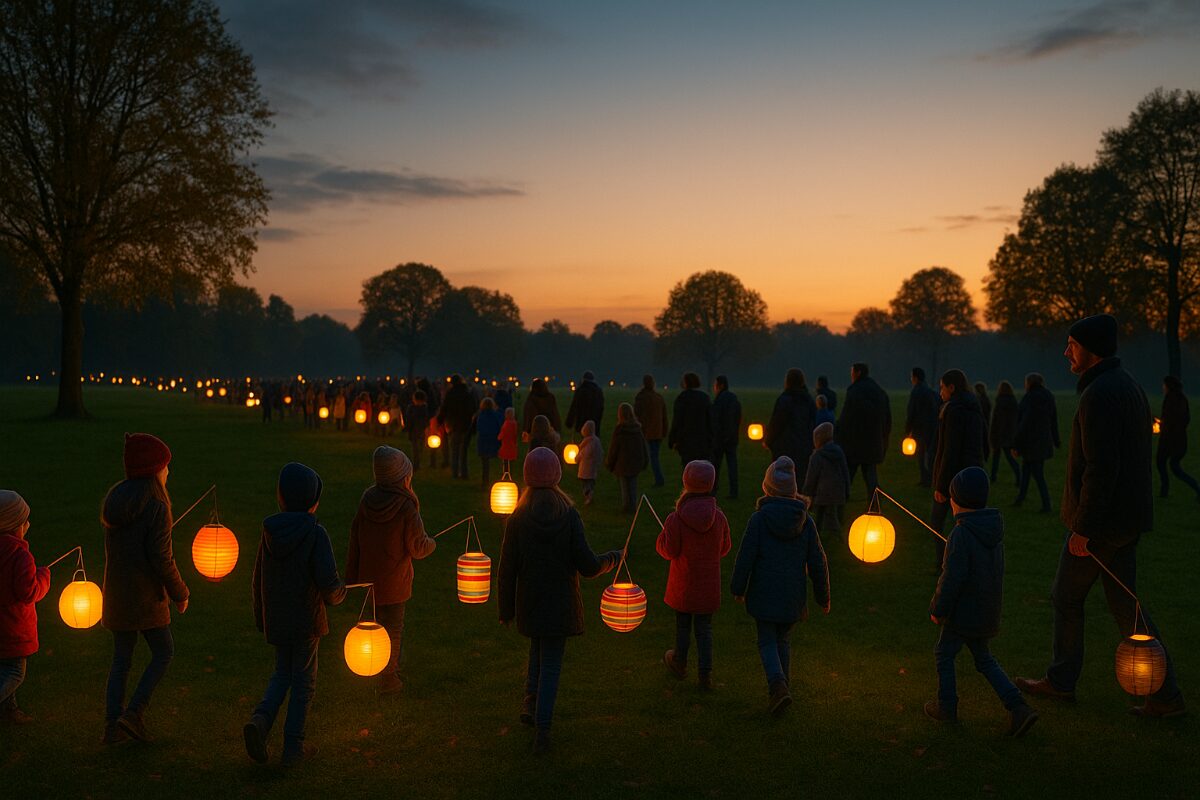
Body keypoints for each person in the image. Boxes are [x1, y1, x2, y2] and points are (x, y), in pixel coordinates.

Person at [1017, 314, 1186, 718]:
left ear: (1090, 348)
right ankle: (1166, 696)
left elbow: (1101, 468)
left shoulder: (1100, 395)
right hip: (1125, 520)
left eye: (1072, 345)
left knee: (1066, 596)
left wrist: (1083, 528)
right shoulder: (1127, 386)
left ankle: (1061, 682)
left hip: (1102, 524)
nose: (1065, 352)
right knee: (1127, 608)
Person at [496, 448, 621, 754]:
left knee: (538, 650)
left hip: (531, 602)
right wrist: (612, 559)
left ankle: (531, 704)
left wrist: (506, 609)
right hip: (560, 604)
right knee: (549, 661)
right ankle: (543, 727)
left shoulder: (518, 518)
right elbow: (588, 565)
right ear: (556, 476)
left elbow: (506, 570)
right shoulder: (568, 515)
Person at [244, 462, 347, 767]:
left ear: (281, 497)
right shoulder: (315, 534)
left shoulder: (270, 532)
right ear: (313, 501)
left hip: (277, 618)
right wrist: (339, 595)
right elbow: (329, 581)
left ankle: (260, 722)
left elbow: (257, 578)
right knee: (304, 682)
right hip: (305, 621)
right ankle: (293, 747)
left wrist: (261, 615)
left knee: (281, 674)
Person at [925, 467, 1039, 737]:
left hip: (963, 613)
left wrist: (937, 608)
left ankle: (946, 707)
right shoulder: (992, 530)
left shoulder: (961, 534)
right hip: (986, 610)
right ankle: (1018, 707)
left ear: (958, 501)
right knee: (984, 659)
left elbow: (951, 578)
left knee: (944, 653)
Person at [101, 433, 189, 745]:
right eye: (166, 467)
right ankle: (134, 713)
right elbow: (162, 559)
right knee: (164, 652)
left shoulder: (117, 499)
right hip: (145, 598)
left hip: (117, 596)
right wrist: (180, 592)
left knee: (121, 660)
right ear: (153, 470)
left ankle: (113, 726)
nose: (169, 473)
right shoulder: (156, 505)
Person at [730, 457, 830, 716]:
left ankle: (777, 686)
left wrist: (738, 588)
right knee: (783, 640)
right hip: (792, 597)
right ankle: (782, 689)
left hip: (764, 594)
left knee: (767, 641)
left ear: (767, 488)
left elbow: (745, 557)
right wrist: (823, 597)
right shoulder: (805, 521)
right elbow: (818, 562)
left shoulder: (759, 520)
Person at [345, 447, 436, 695]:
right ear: (402, 477)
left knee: (373, 625)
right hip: (395, 583)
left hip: (368, 581)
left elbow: (355, 540)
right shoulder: (406, 507)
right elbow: (417, 547)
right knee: (393, 629)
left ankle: (381, 667)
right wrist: (431, 543)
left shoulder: (366, 501)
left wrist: (351, 576)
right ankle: (389, 678)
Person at [657, 461, 731, 690]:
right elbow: (725, 547)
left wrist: (662, 539)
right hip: (708, 586)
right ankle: (705, 674)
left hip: (684, 586)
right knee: (704, 629)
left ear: (686, 482)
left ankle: (680, 662)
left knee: (682, 626)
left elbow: (668, 551)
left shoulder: (676, 519)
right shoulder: (718, 518)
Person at [0, 490, 50, 724]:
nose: (27, 526)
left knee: (3, 668)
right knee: (15, 672)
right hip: (13, 628)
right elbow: (28, 591)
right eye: (24, 522)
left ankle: (10, 711)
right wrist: (43, 576)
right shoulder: (20, 555)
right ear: (14, 525)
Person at [930, 369, 987, 570]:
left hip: (955, 477)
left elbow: (949, 450)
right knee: (968, 523)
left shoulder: (953, 411)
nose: (940, 392)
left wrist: (941, 486)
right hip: (974, 472)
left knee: (937, 521)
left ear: (952, 387)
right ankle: (970, 562)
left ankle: (945, 562)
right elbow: (983, 439)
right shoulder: (973, 406)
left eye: (942, 387)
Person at [836, 363, 891, 497]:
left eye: (852, 372)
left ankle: (841, 499)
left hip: (855, 442)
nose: (851, 375)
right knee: (870, 475)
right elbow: (887, 418)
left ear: (858, 373)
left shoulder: (854, 391)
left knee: (848, 474)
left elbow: (846, 417)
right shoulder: (879, 391)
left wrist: (837, 434)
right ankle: (874, 502)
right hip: (873, 441)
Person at [1011, 373, 1060, 512]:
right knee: (1026, 471)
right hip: (1043, 441)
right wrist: (1056, 440)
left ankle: (1047, 504)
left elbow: (1024, 423)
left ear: (1029, 383)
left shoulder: (1030, 398)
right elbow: (1053, 419)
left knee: (1038, 475)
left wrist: (1016, 443)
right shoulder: (1048, 396)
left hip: (1031, 442)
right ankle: (1020, 498)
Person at [765, 368, 817, 486]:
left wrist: (768, 441)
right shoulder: (808, 401)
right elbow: (813, 423)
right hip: (804, 447)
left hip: (784, 447)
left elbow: (776, 423)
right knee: (800, 481)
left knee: (782, 481)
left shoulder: (785, 400)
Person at [801, 422, 850, 536]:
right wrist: (847, 490)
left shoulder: (817, 456)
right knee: (834, 513)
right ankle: (837, 533)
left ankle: (820, 534)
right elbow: (845, 472)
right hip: (838, 491)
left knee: (820, 515)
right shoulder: (839, 452)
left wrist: (807, 491)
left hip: (823, 493)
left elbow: (811, 476)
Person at [1156, 375, 1200, 501]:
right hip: (1179, 439)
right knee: (1173, 466)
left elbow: (1172, 420)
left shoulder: (1171, 399)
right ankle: (1194, 487)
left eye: (1164, 385)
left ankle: (1165, 490)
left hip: (1171, 440)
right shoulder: (1181, 398)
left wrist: (1163, 426)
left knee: (1164, 463)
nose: (1162, 387)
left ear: (1169, 386)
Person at [605, 403, 650, 514]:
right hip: (635, 462)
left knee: (625, 486)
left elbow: (614, 448)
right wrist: (645, 460)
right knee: (633, 485)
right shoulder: (637, 429)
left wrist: (609, 463)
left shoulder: (620, 430)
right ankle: (633, 506)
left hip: (622, 463)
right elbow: (643, 446)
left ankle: (626, 507)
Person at [668, 372, 713, 469]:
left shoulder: (682, 399)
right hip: (703, 441)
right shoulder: (705, 398)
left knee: (689, 470)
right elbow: (710, 420)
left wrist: (672, 440)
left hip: (687, 441)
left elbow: (677, 421)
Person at [906, 367, 940, 487]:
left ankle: (926, 479)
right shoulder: (930, 390)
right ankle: (931, 477)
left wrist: (908, 429)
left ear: (915, 377)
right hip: (931, 426)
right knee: (930, 452)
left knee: (921, 454)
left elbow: (912, 411)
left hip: (920, 428)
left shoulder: (916, 391)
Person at [634, 375, 670, 487]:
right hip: (658, 432)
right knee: (654, 456)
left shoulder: (641, 397)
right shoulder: (658, 397)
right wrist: (664, 431)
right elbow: (664, 417)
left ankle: (658, 479)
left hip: (645, 431)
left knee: (647, 456)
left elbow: (637, 414)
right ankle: (658, 478)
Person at [438, 375, 476, 480]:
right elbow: (473, 408)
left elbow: (444, 408)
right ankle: (464, 473)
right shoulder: (467, 393)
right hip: (466, 425)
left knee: (455, 449)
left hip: (453, 424)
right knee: (464, 450)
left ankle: (455, 472)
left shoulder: (450, 394)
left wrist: (439, 420)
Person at [710, 375, 742, 499]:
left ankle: (713, 489)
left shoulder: (719, 401)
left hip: (719, 439)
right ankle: (734, 491)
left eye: (715, 385)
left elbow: (715, 420)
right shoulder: (734, 399)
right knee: (732, 465)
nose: (714, 387)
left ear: (721, 385)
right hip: (732, 438)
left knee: (715, 466)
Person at [989, 382, 1021, 488]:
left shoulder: (999, 402)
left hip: (999, 435)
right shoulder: (1013, 402)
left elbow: (996, 421)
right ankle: (1018, 476)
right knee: (1010, 458)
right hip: (1010, 434)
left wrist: (993, 435)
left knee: (996, 458)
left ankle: (993, 478)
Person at [564, 371, 605, 440]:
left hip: (582, 421)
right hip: (595, 421)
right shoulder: (598, 391)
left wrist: (569, 422)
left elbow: (574, 407)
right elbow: (601, 407)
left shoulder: (580, 390)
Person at [474, 397, 504, 490]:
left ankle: (485, 481)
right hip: (493, 439)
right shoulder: (496, 415)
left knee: (485, 462)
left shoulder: (481, 416)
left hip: (483, 440)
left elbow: (478, 427)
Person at [576, 420, 603, 505]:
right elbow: (600, 453)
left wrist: (577, 458)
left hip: (586, 468)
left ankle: (589, 496)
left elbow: (584, 453)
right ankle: (589, 495)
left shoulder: (588, 442)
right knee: (589, 483)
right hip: (592, 468)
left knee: (586, 484)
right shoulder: (596, 441)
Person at [404, 390, 430, 471]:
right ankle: (416, 464)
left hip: (419, 431)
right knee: (416, 448)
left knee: (418, 448)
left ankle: (417, 463)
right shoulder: (415, 408)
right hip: (415, 431)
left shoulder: (420, 408)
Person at [498, 406, 519, 475]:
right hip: (511, 443)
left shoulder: (506, 423)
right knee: (510, 458)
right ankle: (511, 472)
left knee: (506, 459)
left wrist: (499, 437)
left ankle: (506, 472)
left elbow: (503, 432)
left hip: (506, 444)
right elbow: (515, 433)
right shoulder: (514, 423)